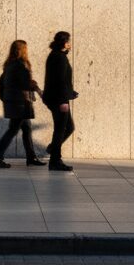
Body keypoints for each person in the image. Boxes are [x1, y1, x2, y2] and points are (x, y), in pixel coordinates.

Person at [0, 40, 46, 168]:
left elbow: (1, 84)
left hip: (15, 103)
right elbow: (25, 84)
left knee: (26, 129)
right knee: (13, 130)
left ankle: (31, 157)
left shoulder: (9, 65)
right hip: (20, 104)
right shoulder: (20, 65)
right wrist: (35, 87)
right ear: (23, 50)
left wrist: (6, 99)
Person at [42, 30, 77, 172]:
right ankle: (55, 160)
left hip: (56, 97)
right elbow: (59, 81)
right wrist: (64, 100)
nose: (70, 44)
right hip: (58, 99)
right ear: (64, 43)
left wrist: (70, 92)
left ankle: (53, 150)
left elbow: (61, 80)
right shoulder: (59, 58)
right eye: (68, 41)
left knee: (67, 127)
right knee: (62, 129)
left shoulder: (56, 56)